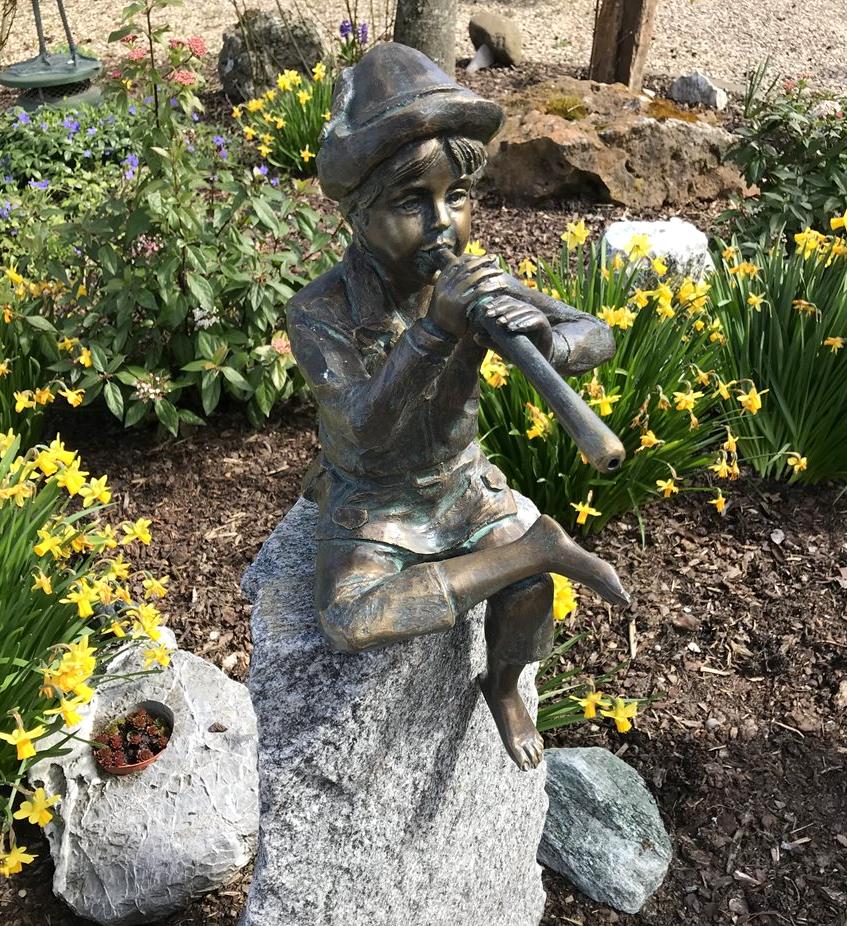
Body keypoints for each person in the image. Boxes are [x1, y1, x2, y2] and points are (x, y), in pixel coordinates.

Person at [287, 43, 628, 771]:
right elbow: (363, 429)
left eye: (459, 197)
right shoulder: (318, 311)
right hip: (375, 496)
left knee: (529, 595)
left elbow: (594, 334)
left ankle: (501, 685)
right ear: (356, 214)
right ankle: (532, 547)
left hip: (460, 485)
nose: (442, 222)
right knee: (350, 618)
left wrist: (545, 338)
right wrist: (435, 331)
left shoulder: (475, 283)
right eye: (412, 202)